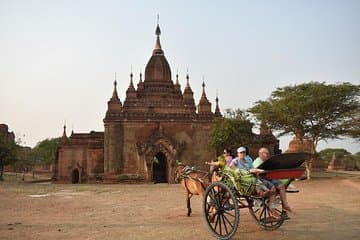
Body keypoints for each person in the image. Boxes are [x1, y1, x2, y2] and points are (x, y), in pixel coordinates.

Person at [231, 146, 281, 219]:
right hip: (244, 180)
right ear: (238, 154)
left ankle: (271, 207)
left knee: (273, 188)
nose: (242, 154)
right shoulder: (236, 160)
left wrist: (258, 171)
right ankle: (262, 195)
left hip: (254, 177)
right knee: (258, 184)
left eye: (243, 152)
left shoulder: (248, 160)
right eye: (241, 152)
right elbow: (232, 167)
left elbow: (253, 168)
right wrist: (239, 171)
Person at [253, 147, 293, 212]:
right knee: (273, 188)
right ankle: (271, 207)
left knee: (281, 186)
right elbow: (258, 173)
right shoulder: (257, 162)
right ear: (261, 154)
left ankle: (285, 204)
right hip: (262, 179)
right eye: (267, 153)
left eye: (268, 153)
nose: (268, 155)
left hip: (270, 178)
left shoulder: (267, 161)